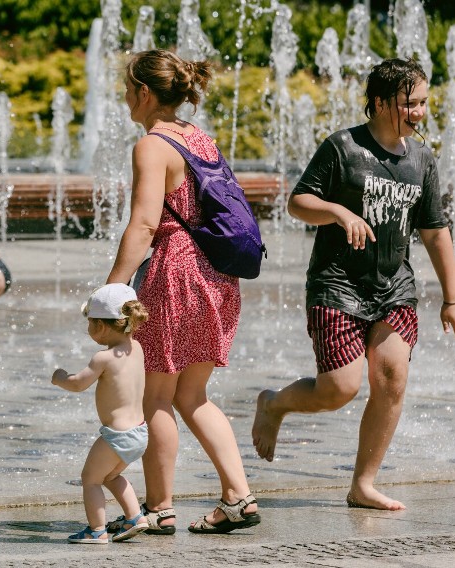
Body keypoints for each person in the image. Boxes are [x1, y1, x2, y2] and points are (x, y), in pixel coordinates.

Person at [252, 58, 455, 511]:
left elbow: (435, 230)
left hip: (394, 287)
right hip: (337, 283)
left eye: (424, 102)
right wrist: (339, 212)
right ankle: (274, 404)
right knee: (338, 390)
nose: (419, 111)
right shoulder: (342, 148)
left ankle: (362, 483)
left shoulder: (421, 159)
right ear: (380, 102)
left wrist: (452, 297)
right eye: (410, 103)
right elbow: (298, 202)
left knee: (391, 379)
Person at [104, 49, 260, 535]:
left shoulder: (152, 146)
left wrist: (111, 287)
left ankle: (159, 507)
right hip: (217, 276)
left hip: (176, 274)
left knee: (156, 397)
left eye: (128, 89)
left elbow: (146, 223)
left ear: (145, 92)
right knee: (193, 394)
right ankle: (239, 497)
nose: (124, 98)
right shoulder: (200, 138)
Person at [51, 284, 150, 544]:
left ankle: (96, 531)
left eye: (89, 322)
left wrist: (60, 377)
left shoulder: (103, 358)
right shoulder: (136, 348)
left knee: (90, 479)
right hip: (139, 432)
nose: (88, 329)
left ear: (102, 326)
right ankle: (135, 517)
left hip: (116, 435)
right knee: (111, 476)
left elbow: (77, 384)